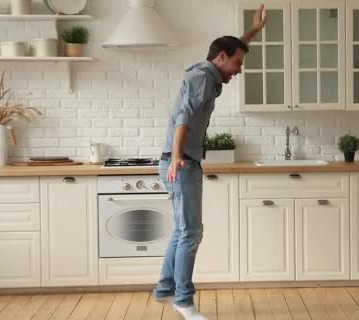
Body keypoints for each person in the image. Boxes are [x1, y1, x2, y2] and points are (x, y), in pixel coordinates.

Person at [153, 5, 267, 320]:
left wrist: (252, 32)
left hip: (181, 160)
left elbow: (232, 48)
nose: (239, 69)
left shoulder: (210, 70)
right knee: (191, 232)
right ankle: (184, 300)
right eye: (236, 63)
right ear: (220, 59)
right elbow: (183, 117)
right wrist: (178, 157)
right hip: (182, 162)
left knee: (183, 230)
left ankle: (165, 288)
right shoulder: (202, 76)